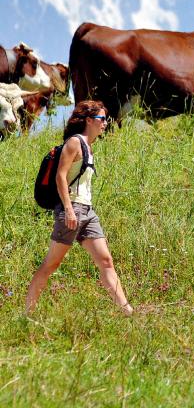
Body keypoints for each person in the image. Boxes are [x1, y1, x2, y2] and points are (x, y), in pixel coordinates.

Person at [26, 100, 133, 316]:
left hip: (87, 211)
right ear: (88, 120)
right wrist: (68, 209)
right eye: (102, 119)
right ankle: (28, 312)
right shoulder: (74, 143)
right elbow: (60, 176)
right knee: (51, 264)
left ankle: (127, 311)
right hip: (72, 209)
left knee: (105, 260)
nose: (105, 123)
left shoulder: (89, 146)